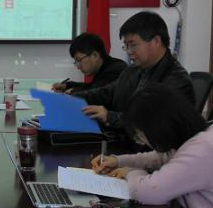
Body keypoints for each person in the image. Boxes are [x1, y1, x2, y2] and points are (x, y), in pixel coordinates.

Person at [80, 11, 195, 145]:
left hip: (147, 152)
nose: (129, 51)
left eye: (133, 45)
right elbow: (106, 93)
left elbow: (153, 124)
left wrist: (110, 117)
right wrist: (71, 98)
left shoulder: (178, 81)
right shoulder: (132, 70)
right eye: (126, 46)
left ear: (156, 41)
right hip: (119, 140)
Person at [51, 32, 127, 95]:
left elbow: (96, 93)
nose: (78, 66)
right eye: (76, 62)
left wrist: (73, 92)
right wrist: (66, 86)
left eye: (79, 60)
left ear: (95, 55)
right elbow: (91, 86)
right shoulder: (104, 66)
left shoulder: (115, 70)